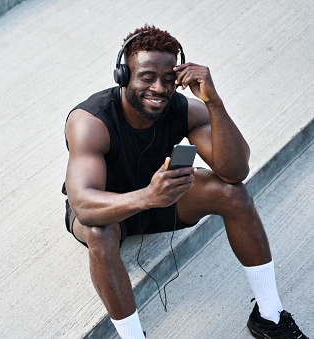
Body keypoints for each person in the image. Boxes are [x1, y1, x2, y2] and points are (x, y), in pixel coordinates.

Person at [62, 25, 308, 339]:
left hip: (161, 198)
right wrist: (147, 197)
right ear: (123, 76)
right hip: (111, 210)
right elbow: (84, 206)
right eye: (147, 77)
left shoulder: (185, 110)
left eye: (168, 79)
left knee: (232, 193)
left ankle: (269, 315)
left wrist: (214, 103)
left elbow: (235, 171)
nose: (160, 88)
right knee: (99, 231)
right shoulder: (91, 121)